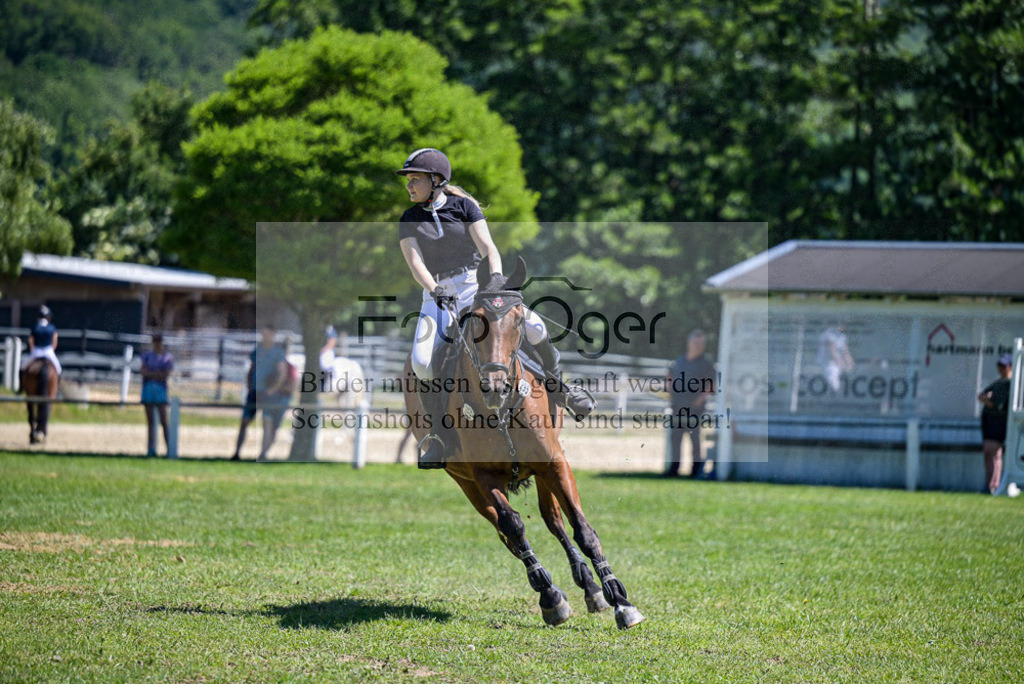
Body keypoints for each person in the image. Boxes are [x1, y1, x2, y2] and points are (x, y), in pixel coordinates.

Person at [396, 147, 594, 469]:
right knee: (421, 362)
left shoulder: (464, 207)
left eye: (414, 180)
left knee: (535, 327)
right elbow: (415, 261)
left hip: (477, 286)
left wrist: (495, 282)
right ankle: (438, 436)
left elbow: (489, 247)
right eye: (408, 181)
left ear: (435, 180)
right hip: (436, 294)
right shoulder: (409, 220)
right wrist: (434, 290)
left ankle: (561, 390)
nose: (409, 186)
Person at [663, 330, 717, 478]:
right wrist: (670, 390)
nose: (698, 346)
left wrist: (700, 399)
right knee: (675, 440)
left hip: (695, 409)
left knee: (695, 441)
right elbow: (669, 376)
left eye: (701, 343)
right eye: (696, 343)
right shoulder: (680, 361)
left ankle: (695, 471)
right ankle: (673, 470)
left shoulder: (706, 364)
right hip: (677, 407)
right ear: (689, 343)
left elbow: (712, 385)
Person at [232, 324, 289, 461]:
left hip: (268, 394)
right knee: (245, 421)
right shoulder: (258, 350)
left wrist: (273, 389)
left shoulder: (277, 352)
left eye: (267, 333)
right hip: (254, 392)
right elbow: (251, 369)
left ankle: (263, 454)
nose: (265, 336)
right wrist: (250, 387)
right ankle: (236, 453)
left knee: (267, 422)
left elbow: (282, 373)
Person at [977, 354, 1012, 494]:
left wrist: (987, 400)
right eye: (1000, 365)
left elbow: (999, 405)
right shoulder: (998, 383)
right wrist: (984, 398)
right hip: (989, 422)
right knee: (992, 454)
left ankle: (993, 485)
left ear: (1010, 367)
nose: (1001, 369)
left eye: (1004, 366)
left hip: (998, 422)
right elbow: (984, 394)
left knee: (991, 452)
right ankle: (992, 485)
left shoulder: (1009, 384)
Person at [140, 333, 174, 457]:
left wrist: (152, 374)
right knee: (151, 422)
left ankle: (169, 449)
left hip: (161, 391)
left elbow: (166, 374)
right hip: (148, 390)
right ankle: (151, 449)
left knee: (164, 421)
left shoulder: (167, 357)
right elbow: (143, 371)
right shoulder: (147, 355)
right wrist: (157, 374)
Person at [24, 305, 62, 375]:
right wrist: (51, 350)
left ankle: (22, 384)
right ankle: (56, 385)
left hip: (36, 351)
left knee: (23, 367)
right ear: (48, 317)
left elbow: (31, 341)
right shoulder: (52, 328)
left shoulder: (35, 327)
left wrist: (33, 350)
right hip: (48, 351)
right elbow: (54, 342)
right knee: (58, 369)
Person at [817, 324, 854, 393]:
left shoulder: (843, 337)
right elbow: (832, 351)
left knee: (842, 373)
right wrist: (841, 364)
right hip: (826, 362)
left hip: (836, 363)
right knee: (834, 383)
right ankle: (834, 392)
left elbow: (846, 352)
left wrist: (850, 363)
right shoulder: (829, 333)